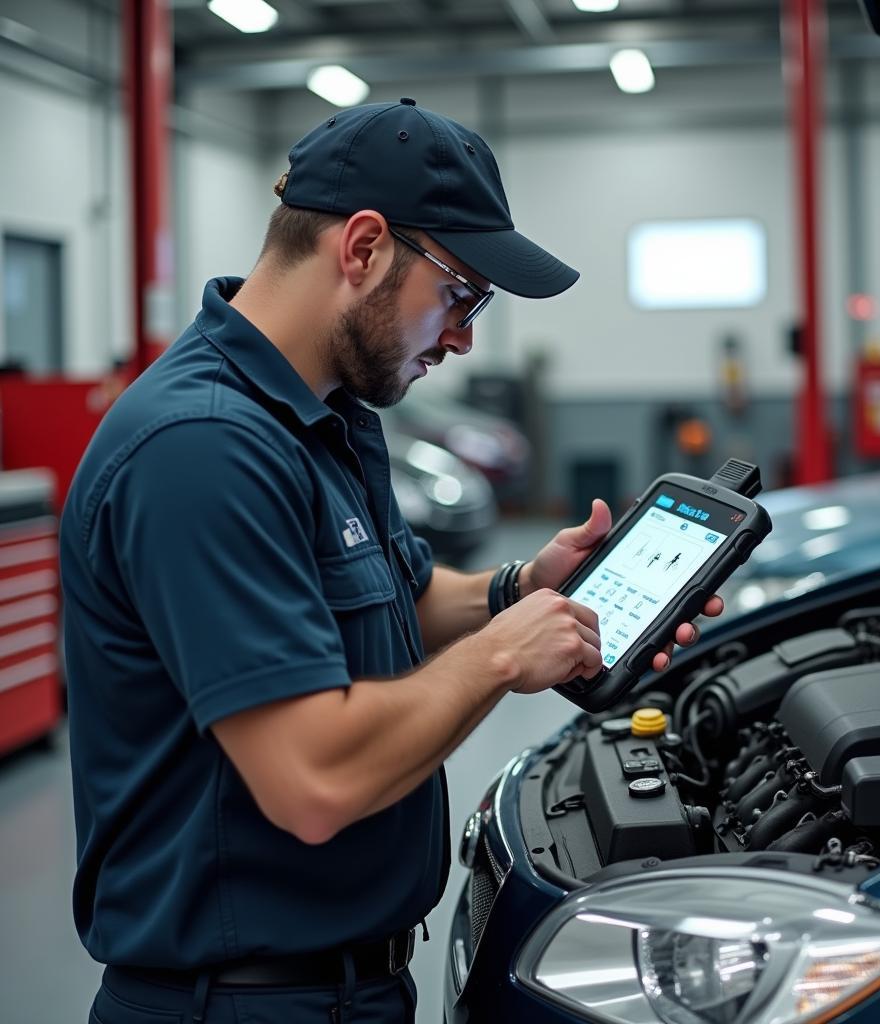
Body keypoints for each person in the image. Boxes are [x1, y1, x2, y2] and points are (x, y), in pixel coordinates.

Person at [60, 98, 722, 1024]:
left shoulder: (326, 418)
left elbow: (396, 600)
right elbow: (314, 780)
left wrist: (521, 590)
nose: (463, 337)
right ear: (363, 247)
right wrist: (501, 657)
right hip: (242, 1004)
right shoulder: (201, 449)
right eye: (461, 294)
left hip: (345, 986)